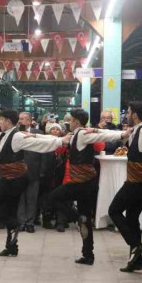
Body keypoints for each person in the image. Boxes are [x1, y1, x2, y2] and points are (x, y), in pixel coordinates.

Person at [83, 101, 142, 272]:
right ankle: (136, 261)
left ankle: (135, 245)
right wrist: (95, 130)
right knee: (131, 219)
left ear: (135, 115)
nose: (126, 115)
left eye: (128, 112)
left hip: (138, 183)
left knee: (114, 211)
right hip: (140, 182)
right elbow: (113, 134)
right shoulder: (135, 130)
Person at [0, 110, 72, 256]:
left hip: (16, 179)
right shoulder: (4, 135)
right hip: (8, 177)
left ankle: (14, 227)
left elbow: (37, 143)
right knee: (10, 210)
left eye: (0, 120)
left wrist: (59, 141)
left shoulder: (17, 135)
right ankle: (12, 246)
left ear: (7, 121)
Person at [48, 109, 99, 264]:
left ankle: (77, 219)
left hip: (81, 182)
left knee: (52, 198)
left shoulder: (83, 133)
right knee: (87, 219)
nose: (68, 123)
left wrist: (99, 130)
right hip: (88, 182)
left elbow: (104, 137)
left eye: (70, 120)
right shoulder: (75, 135)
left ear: (76, 121)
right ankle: (88, 255)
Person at [17, 112, 44, 233]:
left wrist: (42, 170)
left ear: (29, 121)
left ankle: (30, 223)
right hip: (18, 171)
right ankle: (21, 222)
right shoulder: (15, 134)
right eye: (19, 119)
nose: (20, 121)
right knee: (20, 198)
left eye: (23, 119)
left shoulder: (38, 134)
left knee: (32, 198)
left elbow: (44, 152)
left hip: (34, 171)